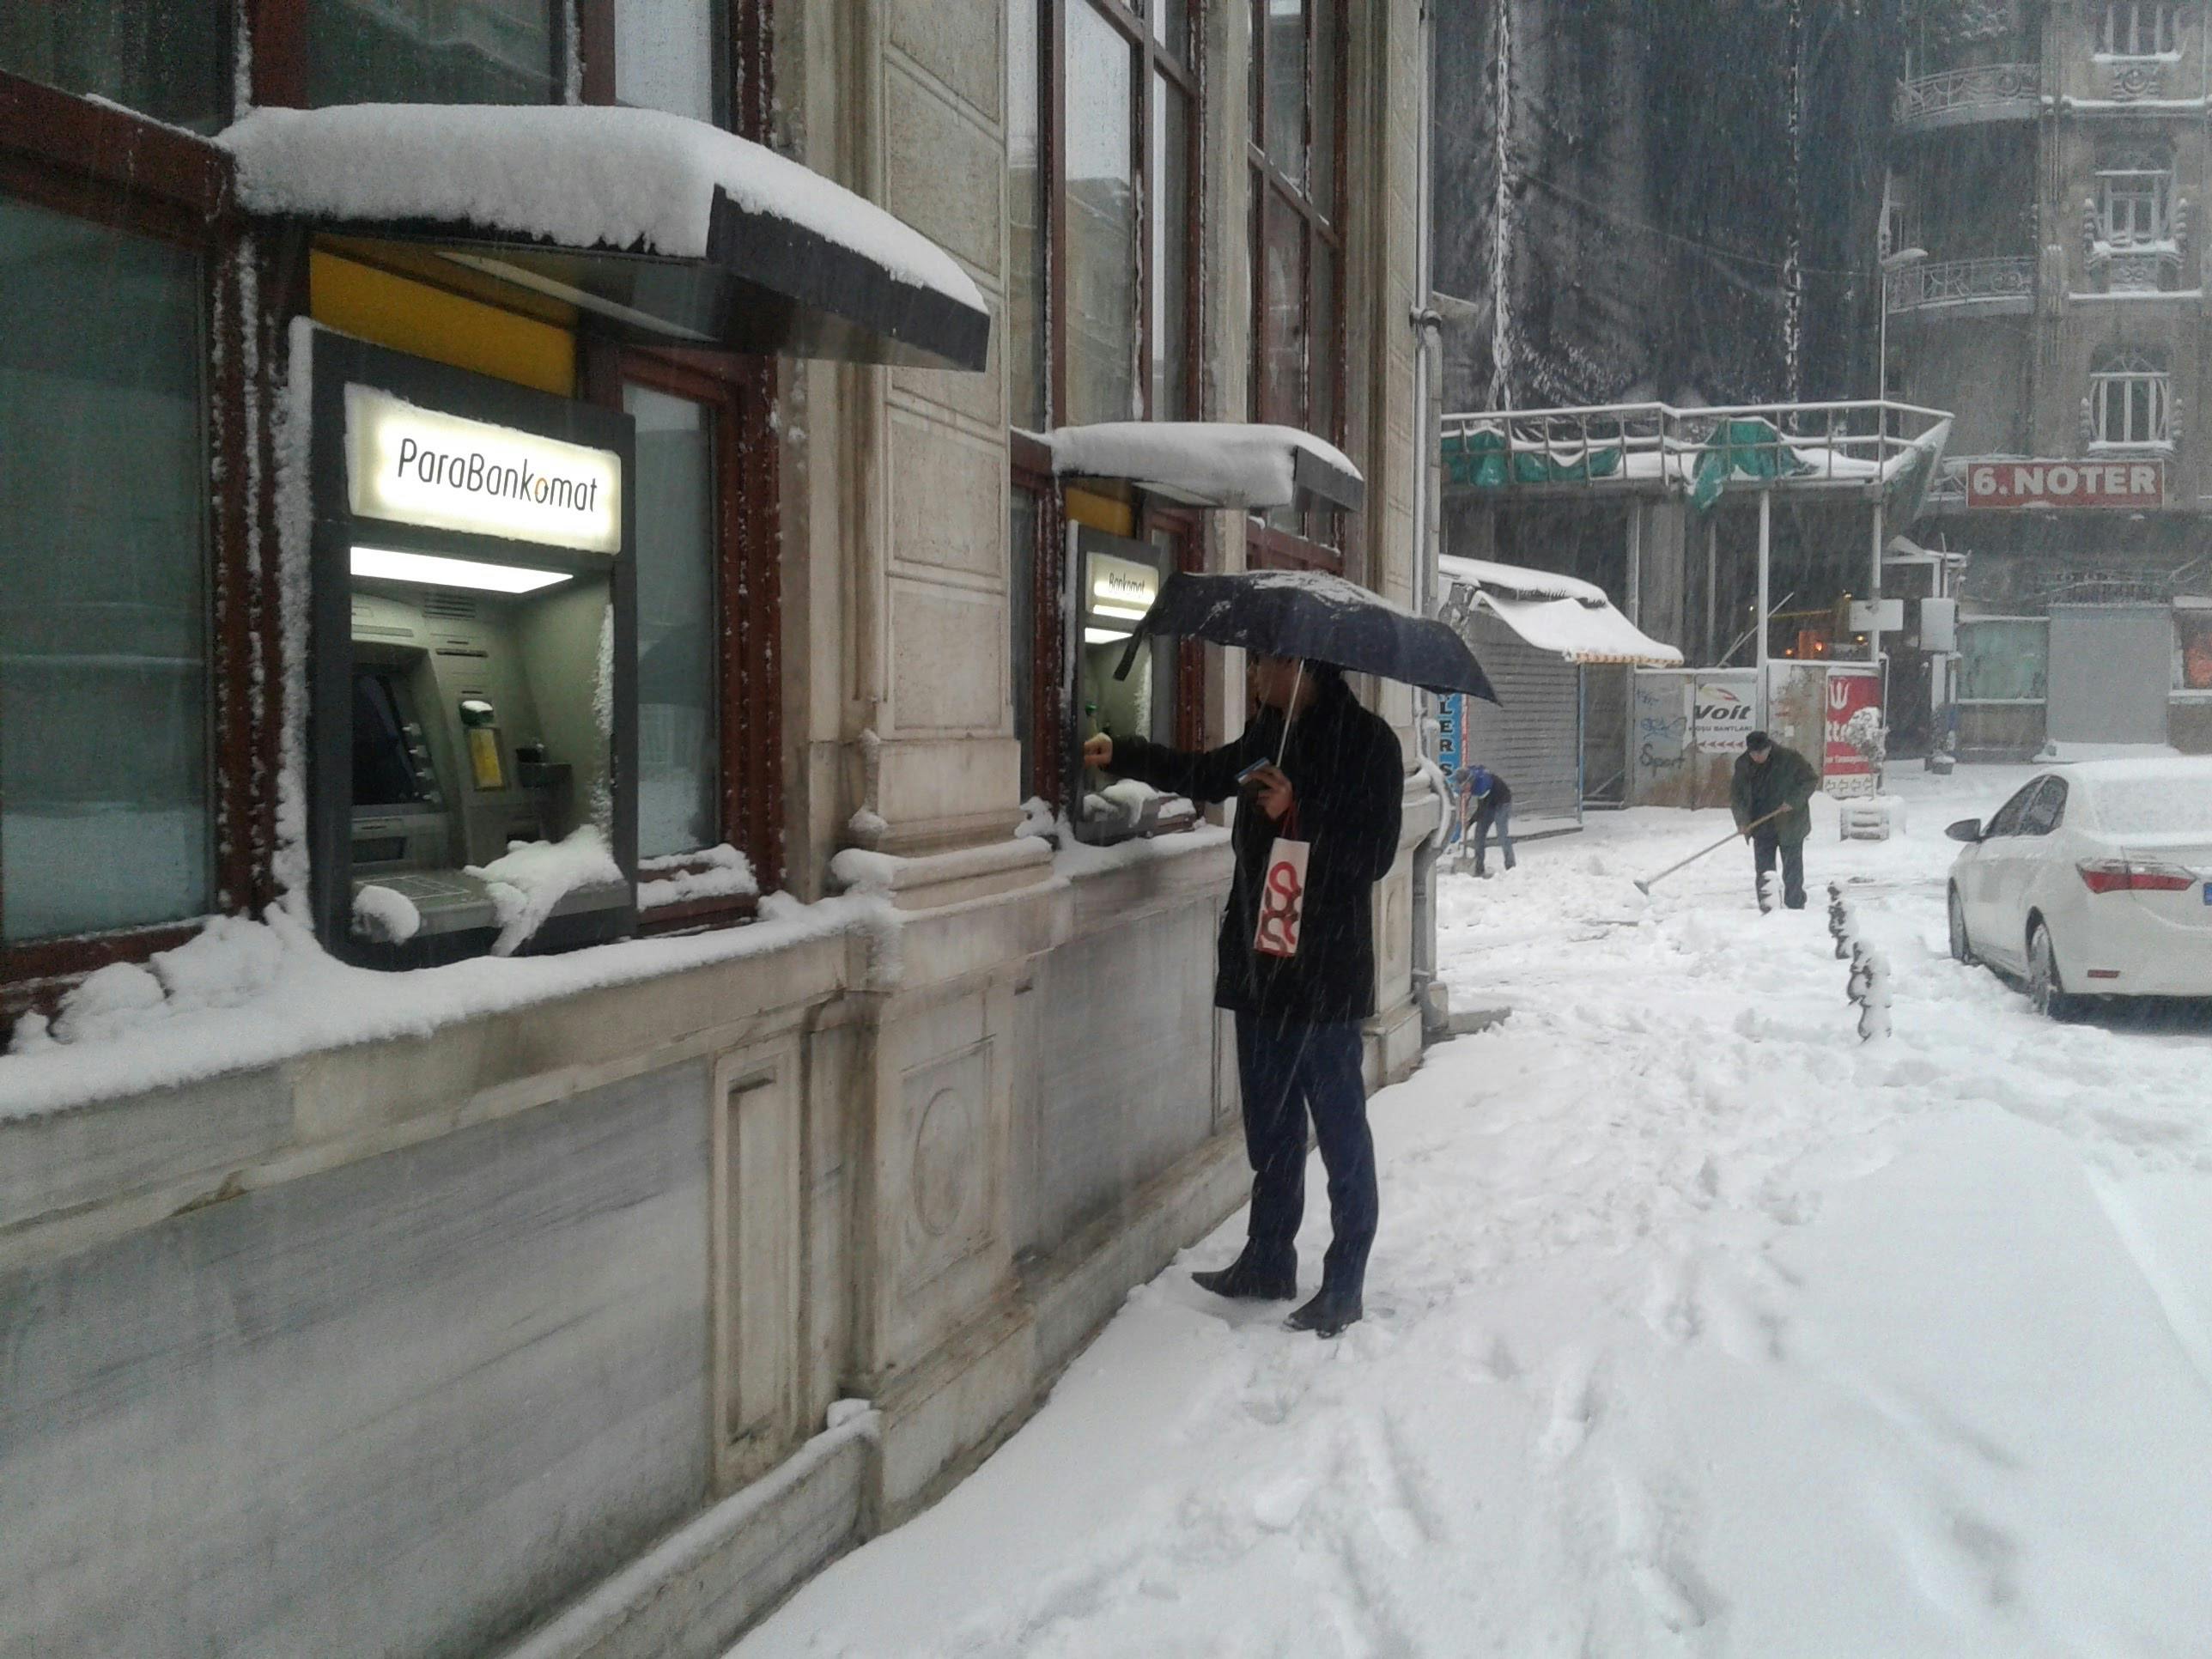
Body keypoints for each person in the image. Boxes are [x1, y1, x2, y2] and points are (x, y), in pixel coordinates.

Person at [1084, 654, 1402, 1338]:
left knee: (1341, 1131)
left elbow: (1374, 855)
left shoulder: (1371, 743)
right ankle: (1267, 1258)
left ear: (1304, 668)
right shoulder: (1266, 735)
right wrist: (1127, 755)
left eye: (1265, 666)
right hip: (1263, 967)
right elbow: (1208, 774)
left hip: (1325, 974)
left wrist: (1300, 810)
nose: (1254, 678)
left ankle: (1344, 1281)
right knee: (1271, 1126)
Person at [1730, 729, 1818, 909]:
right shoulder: (1743, 764)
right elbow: (1737, 796)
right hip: (1761, 824)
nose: (1757, 757)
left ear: (1769, 747)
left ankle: (1795, 905)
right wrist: (1742, 821)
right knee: (1764, 871)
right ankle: (1768, 905)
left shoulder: (1790, 759)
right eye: (1753, 753)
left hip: (1790, 823)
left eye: (1761, 752)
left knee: (1792, 869)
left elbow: (1810, 780)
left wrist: (1793, 801)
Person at [1458, 764, 1515, 876]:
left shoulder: (1482, 785)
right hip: (1489, 803)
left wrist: (1470, 821)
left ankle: (1511, 866)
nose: (1464, 789)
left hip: (1502, 802)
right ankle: (1479, 868)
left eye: (1465, 786)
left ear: (1470, 781)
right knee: (1479, 835)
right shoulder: (1470, 774)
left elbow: (1482, 809)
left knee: (1502, 834)